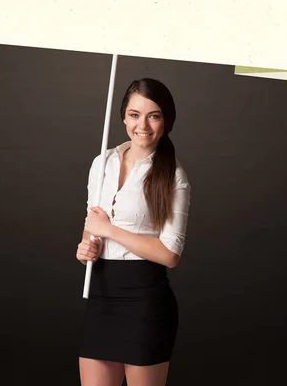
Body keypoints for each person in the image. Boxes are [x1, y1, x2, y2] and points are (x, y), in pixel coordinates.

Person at [76, 77, 191, 386]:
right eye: (134, 114)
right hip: (102, 295)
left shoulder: (173, 177)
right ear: (124, 116)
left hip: (145, 302)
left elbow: (169, 254)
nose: (143, 125)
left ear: (166, 120)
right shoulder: (102, 163)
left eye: (154, 115)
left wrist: (109, 230)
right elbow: (93, 228)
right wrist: (86, 247)